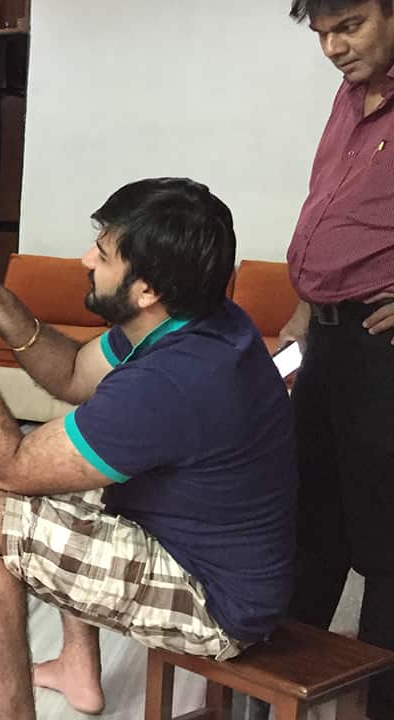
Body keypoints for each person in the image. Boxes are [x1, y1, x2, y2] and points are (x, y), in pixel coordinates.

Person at [0, 178, 296, 719]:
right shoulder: (192, 321)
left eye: (105, 252)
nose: (86, 258)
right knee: (78, 467)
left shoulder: (171, 382)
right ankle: (77, 667)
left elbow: (6, 469)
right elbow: (70, 373)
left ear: (147, 288)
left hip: (216, 604)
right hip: (226, 559)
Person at [279, 2, 394, 717]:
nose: (331, 46)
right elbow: (328, 206)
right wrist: (300, 313)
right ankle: (286, 684)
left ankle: (380, 703)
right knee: (310, 521)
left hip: (381, 346)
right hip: (323, 335)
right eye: (320, 31)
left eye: (348, 24)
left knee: (385, 540)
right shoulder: (350, 96)